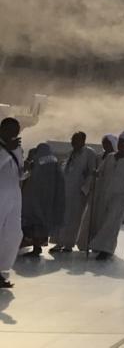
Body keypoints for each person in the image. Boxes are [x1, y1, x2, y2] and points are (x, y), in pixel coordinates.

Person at [81, 130, 124, 260]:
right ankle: (99, 246)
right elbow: (100, 171)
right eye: (120, 142)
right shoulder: (110, 157)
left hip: (120, 197)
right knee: (102, 221)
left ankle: (106, 249)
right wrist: (95, 174)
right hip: (105, 194)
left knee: (111, 223)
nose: (121, 145)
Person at [52, 132, 98, 253]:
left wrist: (85, 189)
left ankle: (68, 244)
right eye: (72, 139)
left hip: (78, 192)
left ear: (83, 140)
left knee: (73, 218)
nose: (73, 142)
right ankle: (58, 242)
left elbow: (91, 173)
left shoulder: (89, 153)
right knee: (62, 216)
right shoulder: (70, 153)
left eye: (76, 139)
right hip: (65, 190)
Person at [21, 142, 65, 256]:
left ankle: (34, 248)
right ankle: (37, 247)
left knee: (33, 221)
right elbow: (60, 181)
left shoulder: (36, 162)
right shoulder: (54, 162)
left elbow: (28, 177)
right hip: (49, 198)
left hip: (34, 197)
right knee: (41, 223)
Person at [0, 118, 23, 289]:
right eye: (10, 129)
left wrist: (27, 170)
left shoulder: (17, 148)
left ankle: (2, 272)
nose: (14, 133)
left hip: (14, 196)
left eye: (16, 130)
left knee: (13, 235)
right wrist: (6, 151)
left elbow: (18, 172)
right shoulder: (6, 148)